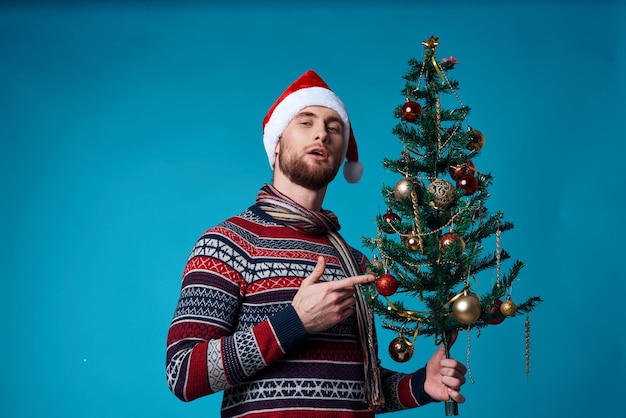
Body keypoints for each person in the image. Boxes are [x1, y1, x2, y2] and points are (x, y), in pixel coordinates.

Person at [165, 70, 467, 417]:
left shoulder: (354, 261)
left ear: (342, 157)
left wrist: (420, 385)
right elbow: (183, 373)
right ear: (277, 143)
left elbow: (356, 388)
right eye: (306, 122)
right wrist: (296, 321)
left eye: (334, 128)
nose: (322, 133)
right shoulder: (227, 243)